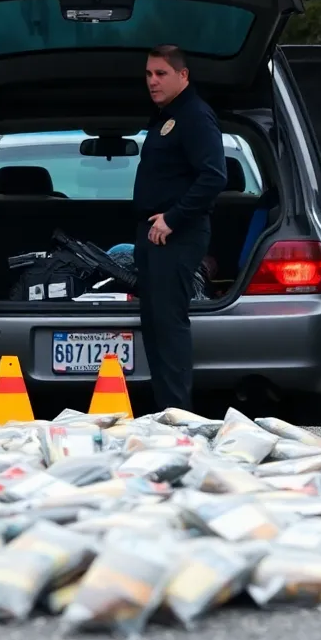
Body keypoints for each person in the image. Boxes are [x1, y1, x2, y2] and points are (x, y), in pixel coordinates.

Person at [132, 44, 228, 412]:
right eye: (148, 74)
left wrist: (173, 218)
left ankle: (177, 414)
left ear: (183, 75)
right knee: (155, 326)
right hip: (155, 235)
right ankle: (164, 410)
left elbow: (213, 176)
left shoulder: (194, 116)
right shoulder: (166, 116)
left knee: (169, 327)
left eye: (161, 74)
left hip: (176, 233)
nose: (152, 81)